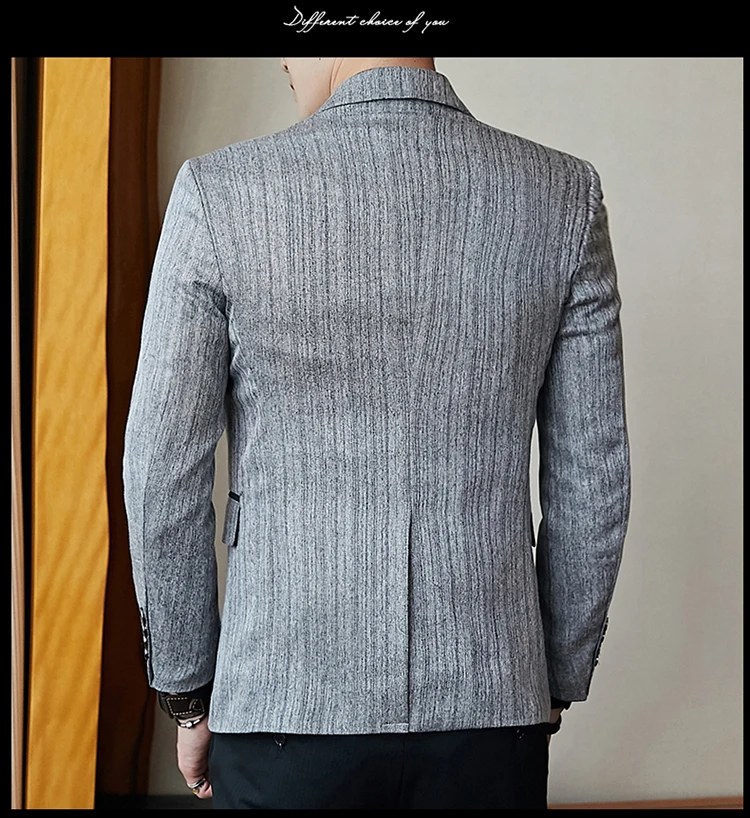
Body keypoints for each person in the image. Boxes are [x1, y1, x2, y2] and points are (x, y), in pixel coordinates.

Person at [122, 57, 631, 810]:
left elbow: (161, 474)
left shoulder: (218, 193)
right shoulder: (562, 195)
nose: (285, 65)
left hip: (279, 709)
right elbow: (594, 479)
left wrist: (188, 693)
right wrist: (551, 674)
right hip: (492, 713)